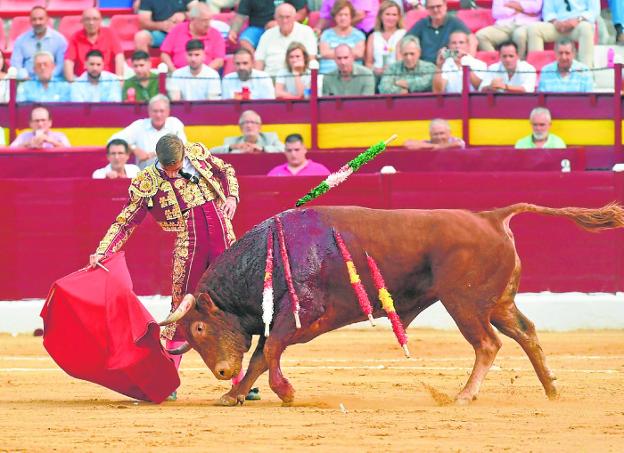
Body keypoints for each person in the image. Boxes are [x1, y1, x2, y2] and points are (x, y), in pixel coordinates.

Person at [88, 134, 240, 385]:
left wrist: (232, 196)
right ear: (157, 159)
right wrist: (104, 249)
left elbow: (226, 169)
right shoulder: (146, 181)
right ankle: (167, 380)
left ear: (183, 155)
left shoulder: (197, 153)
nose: (172, 174)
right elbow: (125, 222)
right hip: (189, 245)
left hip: (223, 234)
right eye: (168, 170)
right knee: (181, 309)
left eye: (177, 168)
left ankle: (241, 380)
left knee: (231, 305)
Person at [109, 94, 187, 169]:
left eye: (161, 111)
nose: (158, 115)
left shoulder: (174, 124)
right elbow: (112, 139)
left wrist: (154, 155)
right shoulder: (139, 125)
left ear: (168, 111)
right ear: (149, 111)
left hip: (170, 176)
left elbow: (183, 148)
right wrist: (134, 148)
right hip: (145, 178)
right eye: (155, 111)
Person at [527, 0, 600, 67]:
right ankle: (537, 72)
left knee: (586, 28)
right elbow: (547, 11)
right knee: (534, 29)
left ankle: (585, 73)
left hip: (578, 24)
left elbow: (594, 11)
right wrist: (555, 22)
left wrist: (578, 20)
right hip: (558, 25)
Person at [254, 3, 318, 77]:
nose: (284, 20)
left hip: (297, 77)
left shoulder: (306, 32)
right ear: (275, 18)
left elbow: (311, 59)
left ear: (294, 17)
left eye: (288, 17)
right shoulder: (267, 35)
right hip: (271, 78)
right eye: (281, 17)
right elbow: (259, 62)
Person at [405, 0, 476, 64]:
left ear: (445, 6)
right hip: (425, 68)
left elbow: (472, 40)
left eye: (438, 6)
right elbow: (402, 42)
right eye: (432, 7)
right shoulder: (422, 23)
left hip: (447, 66)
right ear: (427, 9)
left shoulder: (454, 22)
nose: (435, 10)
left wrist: (468, 62)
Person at [63, 8, 125, 82]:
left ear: (100, 20)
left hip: (107, 80)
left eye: (95, 19)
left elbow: (119, 57)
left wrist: (119, 80)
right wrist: (72, 83)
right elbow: (68, 61)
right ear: (82, 21)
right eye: (87, 19)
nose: (91, 22)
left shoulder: (109, 33)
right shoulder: (75, 37)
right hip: (84, 81)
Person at [160, 3, 225, 72]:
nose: (208, 24)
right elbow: (164, 54)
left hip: (204, 78)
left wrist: (201, 74)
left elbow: (219, 60)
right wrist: (174, 72)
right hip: (178, 76)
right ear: (193, 19)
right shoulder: (178, 29)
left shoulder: (215, 34)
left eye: (209, 20)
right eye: (204, 20)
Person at [228, 0, 308, 52]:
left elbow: (302, 12)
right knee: (244, 41)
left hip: (283, 24)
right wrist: (233, 31)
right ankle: (256, 62)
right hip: (258, 28)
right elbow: (240, 16)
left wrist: (280, 22)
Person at [10, 6, 67, 79]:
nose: (37, 22)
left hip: (52, 80)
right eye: (34, 19)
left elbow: (61, 64)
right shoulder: (21, 40)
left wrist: (49, 76)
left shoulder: (59, 40)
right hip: (27, 80)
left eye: (41, 19)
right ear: (30, 21)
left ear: (47, 19)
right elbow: (15, 64)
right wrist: (24, 77)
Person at [476, 0, 542, 58]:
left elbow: (536, 7)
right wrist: (519, 9)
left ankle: (519, 65)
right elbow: (496, 12)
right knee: (481, 36)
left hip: (526, 24)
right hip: (504, 25)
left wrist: (512, 5)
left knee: (519, 35)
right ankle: (499, 64)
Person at [319, 0, 367, 74]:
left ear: (351, 16)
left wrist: (333, 53)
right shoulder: (326, 34)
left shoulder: (359, 35)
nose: (343, 18)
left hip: (352, 75)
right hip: (327, 73)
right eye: (340, 15)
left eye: (346, 15)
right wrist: (349, 54)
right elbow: (324, 53)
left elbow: (359, 54)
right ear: (335, 17)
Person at [365, 1, 406, 79]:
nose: (391, 18)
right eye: (387, 14)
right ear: (381, 16)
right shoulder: (373, 36)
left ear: (399, 17)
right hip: (376, 76)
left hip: (397, 75)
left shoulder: (403, 34)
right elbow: (368, 63)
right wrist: (376, 70)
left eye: (394, 15)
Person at [212, 110, 285, 154]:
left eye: (252, 122)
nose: (249, 126)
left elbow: (285, 149)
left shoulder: (270, 138)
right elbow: (211, 152)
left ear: (259, 127)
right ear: (240, 128)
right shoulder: (232, 141)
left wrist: (262, 149)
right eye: (245, 123)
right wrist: (232, 148)